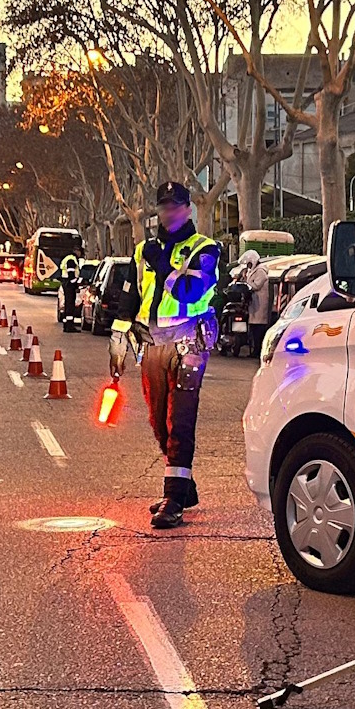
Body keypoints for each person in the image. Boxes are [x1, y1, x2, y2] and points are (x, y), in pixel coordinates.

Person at [110, 181, 220, 529]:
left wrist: (165, 269)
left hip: (188, 343)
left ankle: (174, 498)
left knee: (180, 422)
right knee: (159, 421)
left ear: (188, 209)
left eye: (175, 206)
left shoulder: (205, 248)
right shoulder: (143, 251)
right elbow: (129, 297)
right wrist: (117, 338)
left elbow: (194, 291)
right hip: (151, 344)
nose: (168, 213)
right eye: (163, 206)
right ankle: (183, 485)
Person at [238, 250, 270, 356]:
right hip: (254, 303)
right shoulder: (253, 270)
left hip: (259, 303)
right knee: (254, 328)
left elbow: (256, 285)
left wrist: (247, 284)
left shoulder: (260, 271)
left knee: (258, 329)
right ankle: (254, 349)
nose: (248, 265)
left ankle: (257, 350)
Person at [59, 251, 81, 333]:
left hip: (66, 283)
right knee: (70, 305)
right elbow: (71, 273)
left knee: (68, 304)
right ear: (76, 251)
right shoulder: (71, 260)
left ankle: (66, 325)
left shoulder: (67, 258)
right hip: (69, 285)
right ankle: (69, 326)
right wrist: (75, 284)